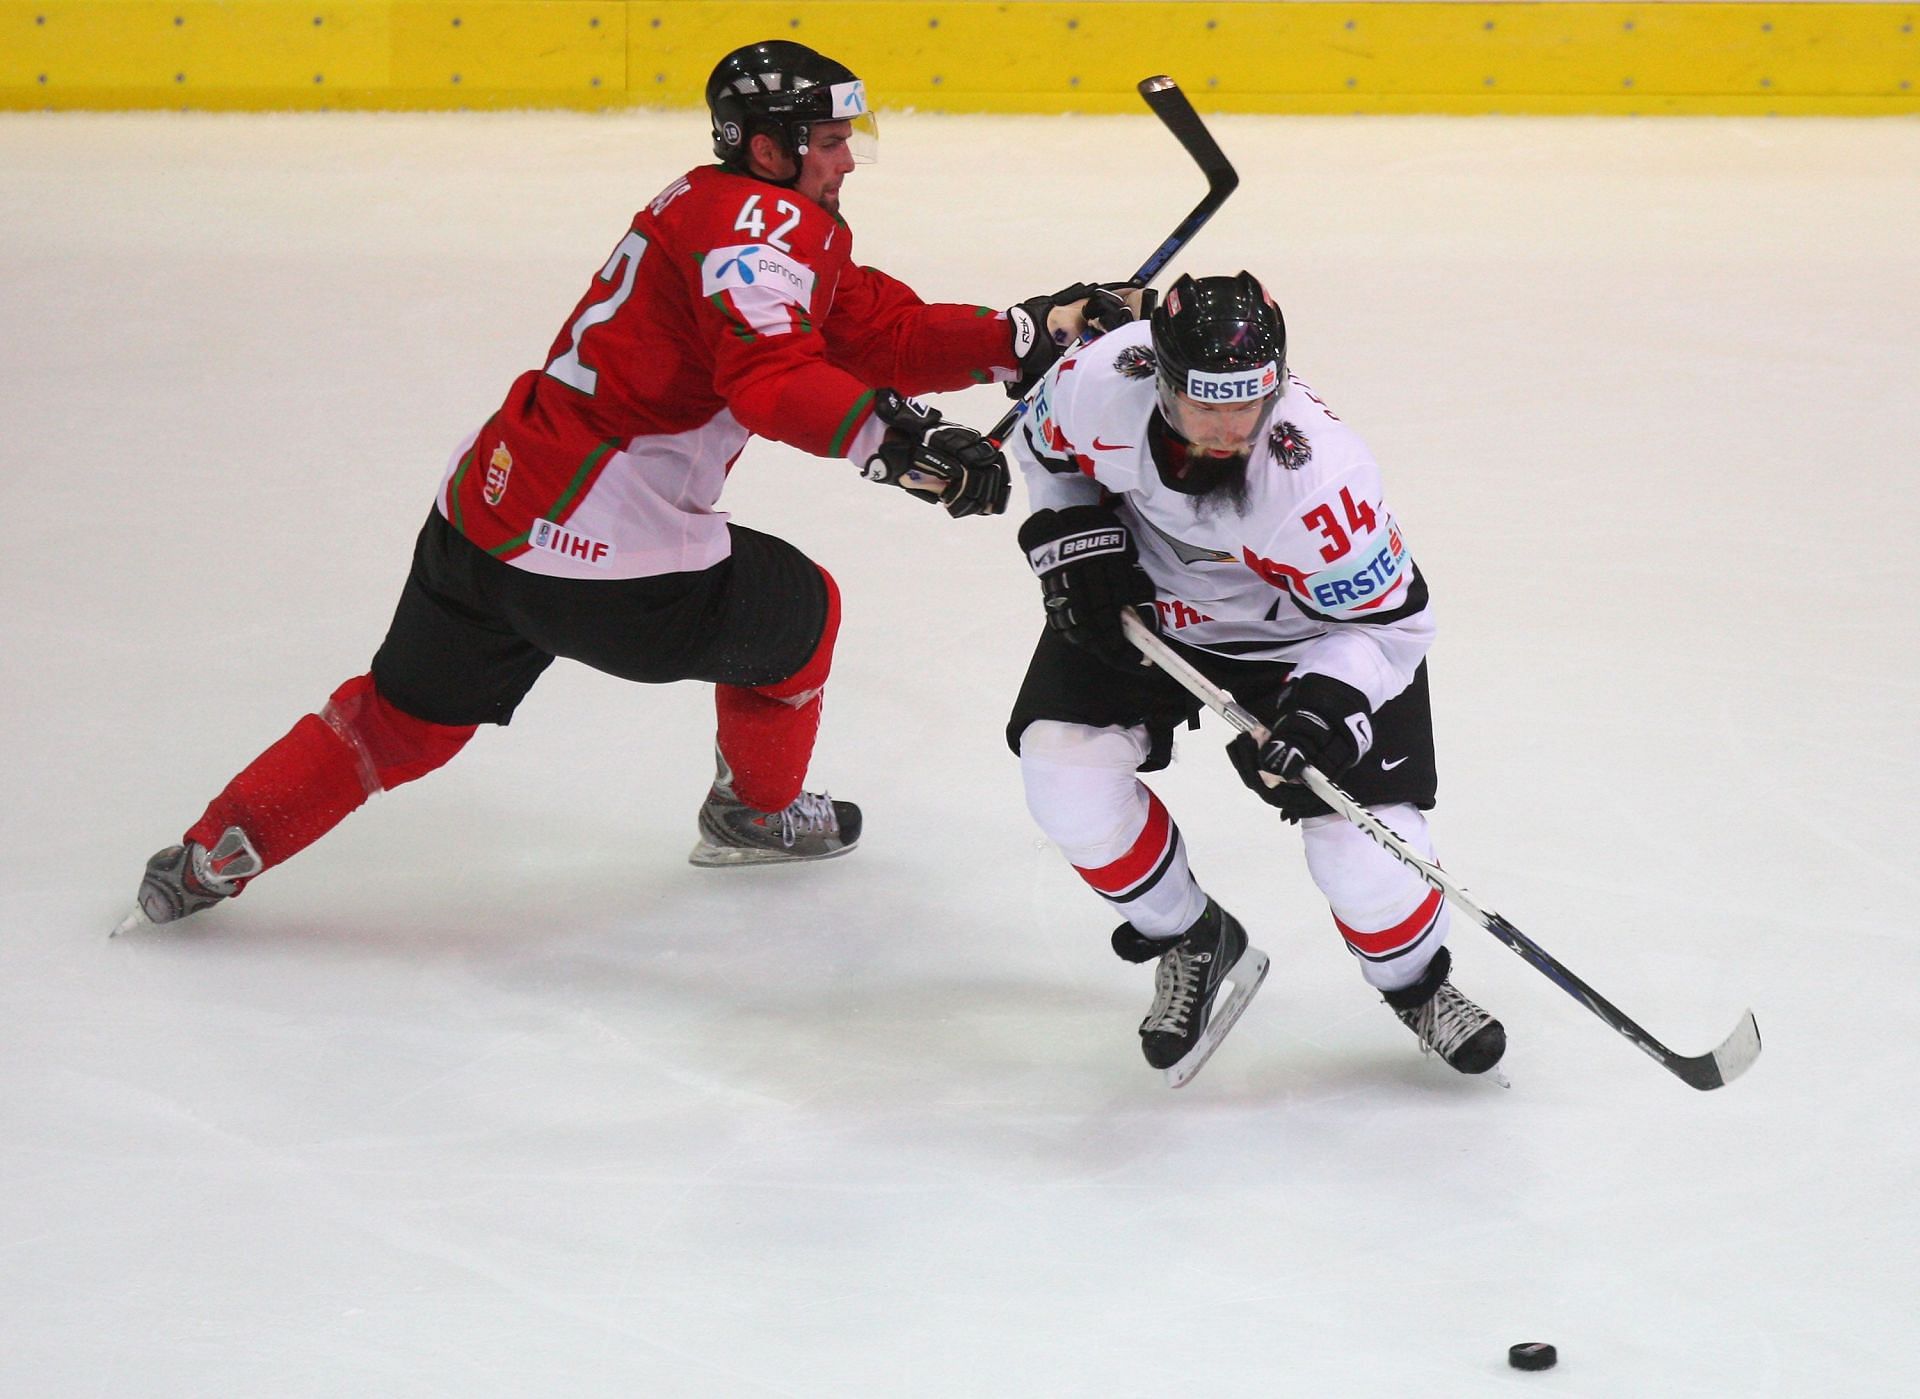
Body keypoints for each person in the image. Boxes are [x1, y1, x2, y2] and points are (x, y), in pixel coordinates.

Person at [117, 38, 1125, 934]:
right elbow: (770, 379)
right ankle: (757, 811)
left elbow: (874, 329)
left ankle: (211, 852)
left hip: (486, 510)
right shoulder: (763, 233)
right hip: (607, 561)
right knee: (802, 613)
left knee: (400, 718)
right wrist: (897, 443)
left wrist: (1024, 335)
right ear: (769, 147)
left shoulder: (714, 204)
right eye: (826, 137)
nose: (846, 154)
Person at [1005, 271, 1506, 1085]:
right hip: (1155, 603)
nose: (1230, 428)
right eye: (1206, 405)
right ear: (1159, 380)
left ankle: (1416, 987)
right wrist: (1071, 527)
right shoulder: (1105, 379)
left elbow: (1394, 628)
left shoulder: (1321, 486)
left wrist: (1326, 704)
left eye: (1249, 403)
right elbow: (1042, 446)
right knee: (1061, 769)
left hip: (1306, 640)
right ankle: (1190, 937)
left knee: (1365, 855)